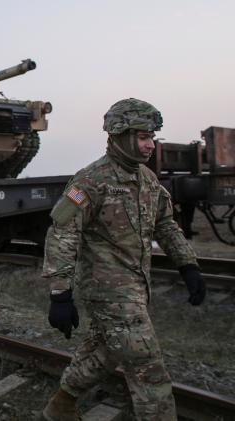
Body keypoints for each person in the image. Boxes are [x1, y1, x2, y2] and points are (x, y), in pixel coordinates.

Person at [40, 98, 206, 421]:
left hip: (136, 290)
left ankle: (60, 406)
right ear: (121, 135)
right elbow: (63, 232)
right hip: (107, 293)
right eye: (144, 138)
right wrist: (60, 292)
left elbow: (166, 225)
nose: (151, 145)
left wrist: (188, 265)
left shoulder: (147, 180)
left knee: (105, 353)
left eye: (152, 138)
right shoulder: (91, 180)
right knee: (148, 368)